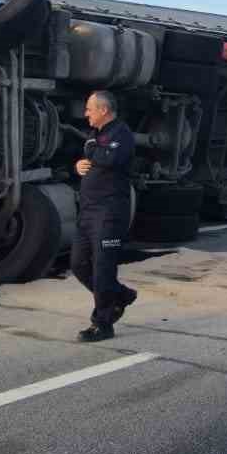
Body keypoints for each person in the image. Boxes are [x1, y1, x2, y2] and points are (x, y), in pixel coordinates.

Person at [72, 90, 138, 342]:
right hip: (88, 212)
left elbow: (109, 159)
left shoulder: (122, 134)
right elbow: (90, 156)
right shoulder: (96, 135)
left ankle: (103, 324)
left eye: (89, 108)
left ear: (104, 110)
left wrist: (91, 152)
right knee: (78, 264)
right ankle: (119, 296)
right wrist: (78, 165)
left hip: (109, 213)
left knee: (103, 269)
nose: (85, 113)